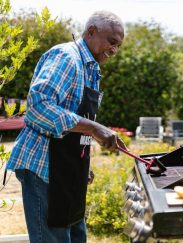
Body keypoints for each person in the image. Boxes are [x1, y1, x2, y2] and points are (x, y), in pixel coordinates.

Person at [5, 10, 127, 243]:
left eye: (118, 46)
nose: (114, 50)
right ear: (91, 32)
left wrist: (80, 164)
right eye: (112, 42)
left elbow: (75, 119)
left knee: (76, 236)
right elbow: (39, 106)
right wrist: (95, 128)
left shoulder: (91, 68)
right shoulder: (66, 57)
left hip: (67, 169)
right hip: (44, 165)